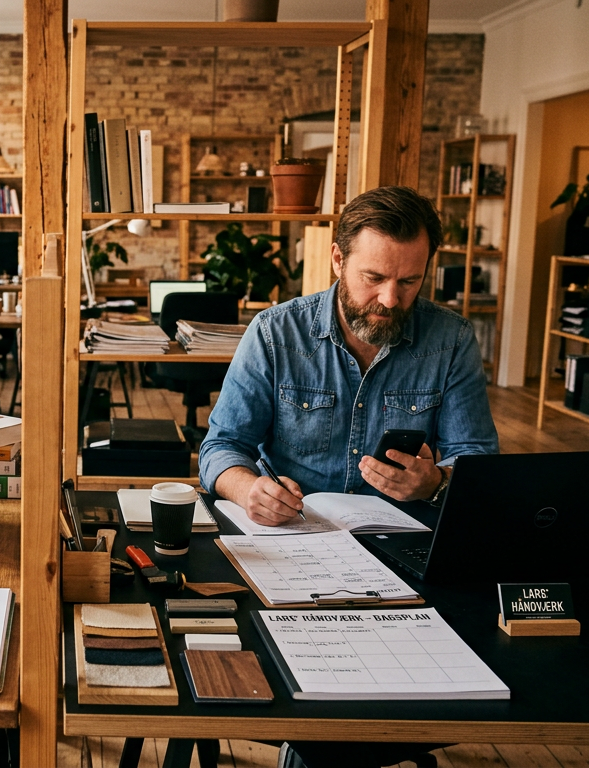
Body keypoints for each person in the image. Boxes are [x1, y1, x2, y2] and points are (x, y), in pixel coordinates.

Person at [198, 185, 498, 767]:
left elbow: (477, 464)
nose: (390, 298)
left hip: (407, 556)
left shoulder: (451, 339)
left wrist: (434, 483)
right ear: (337, 259)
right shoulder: (275, 333)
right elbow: (221, 446)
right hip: (292, 552)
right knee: (332, 708)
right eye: (373, 277)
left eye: (409, 281)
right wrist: (248, 489)